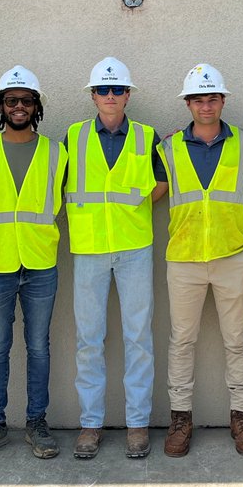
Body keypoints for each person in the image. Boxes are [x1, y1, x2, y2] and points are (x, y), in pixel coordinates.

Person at [157, 64, 243, 458]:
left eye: (213, 98)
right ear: (188, 104)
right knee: (181, 341)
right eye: (199, 99)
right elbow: (148, 194)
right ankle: (180, 419)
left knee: (237, 340)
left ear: (223, 101)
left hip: (232, 255)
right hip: (184, 257)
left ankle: (241, 417)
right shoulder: (168, 148)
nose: (206, 106)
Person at [0, 66, 65, 463]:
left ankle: (37, 422)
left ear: (36, 107)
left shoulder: (56, 152)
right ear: (1, 107)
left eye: (26, 100)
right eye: (11, 100)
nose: (19, 106)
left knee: (39, 347)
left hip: (40, 262)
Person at [65, 57, 168, 460]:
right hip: (88, 248)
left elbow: (161, 181)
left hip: (134, 247)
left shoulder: (147, 136)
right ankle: (90, 424)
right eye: (103, 90)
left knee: (138, 338)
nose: (110, 96)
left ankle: (137, 423)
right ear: (93, 96)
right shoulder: (73, 137)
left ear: (128, 95)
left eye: (117, 90)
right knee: (89, 340)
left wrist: (132, 211)